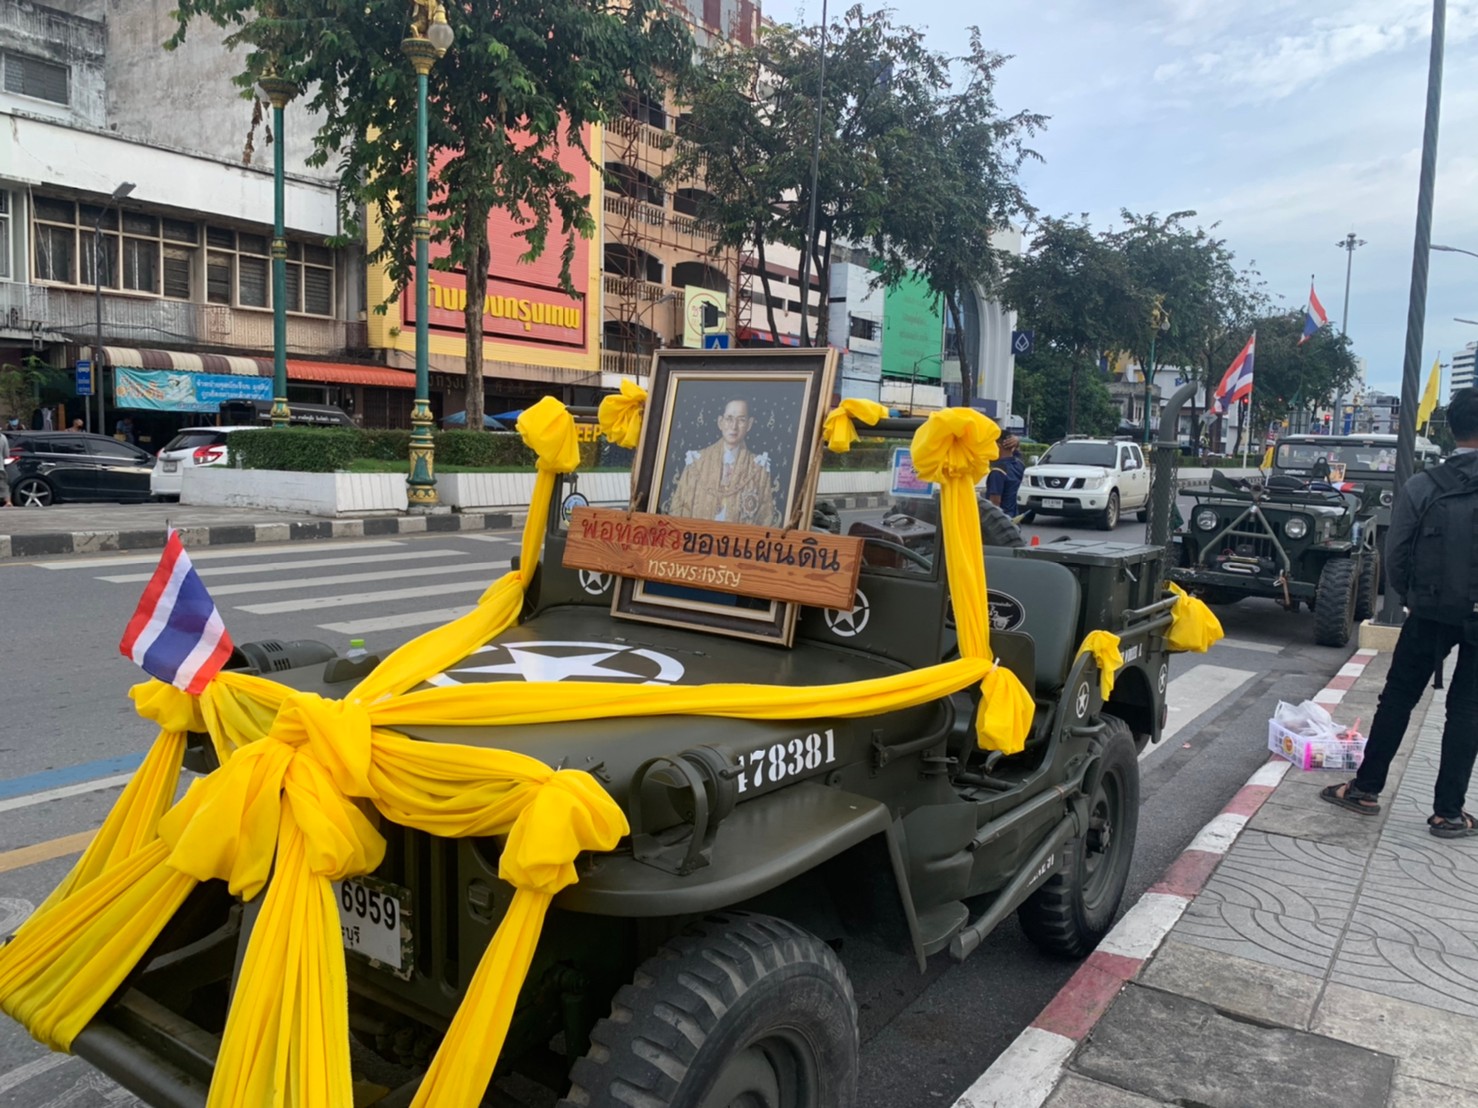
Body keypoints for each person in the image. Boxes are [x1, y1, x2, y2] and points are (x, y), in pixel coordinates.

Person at [1321, 386, 1478, 836]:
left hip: (1429, 610)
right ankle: (1449, 813)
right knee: (1468, 711)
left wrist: (1412, 597)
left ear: (1450, 430)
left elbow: (1397, 553)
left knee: (1398, 700)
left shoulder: (1423, 485)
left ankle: (1365, 789)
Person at [666, 398, 779, 526]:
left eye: (741, 420)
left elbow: (765, 519)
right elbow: (677, 510)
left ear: (749, 424)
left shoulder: (759, 468)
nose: (734, 426)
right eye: (729, 418)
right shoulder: (696, 462)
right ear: (720, 422)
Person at [986, 434, 1026, 517]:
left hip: (1002, 521)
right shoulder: (1019, 464)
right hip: (1014, 517)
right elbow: (1017, 453)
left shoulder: (998, 471)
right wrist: (1016, 441)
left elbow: (995, 502)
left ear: (997, 446)